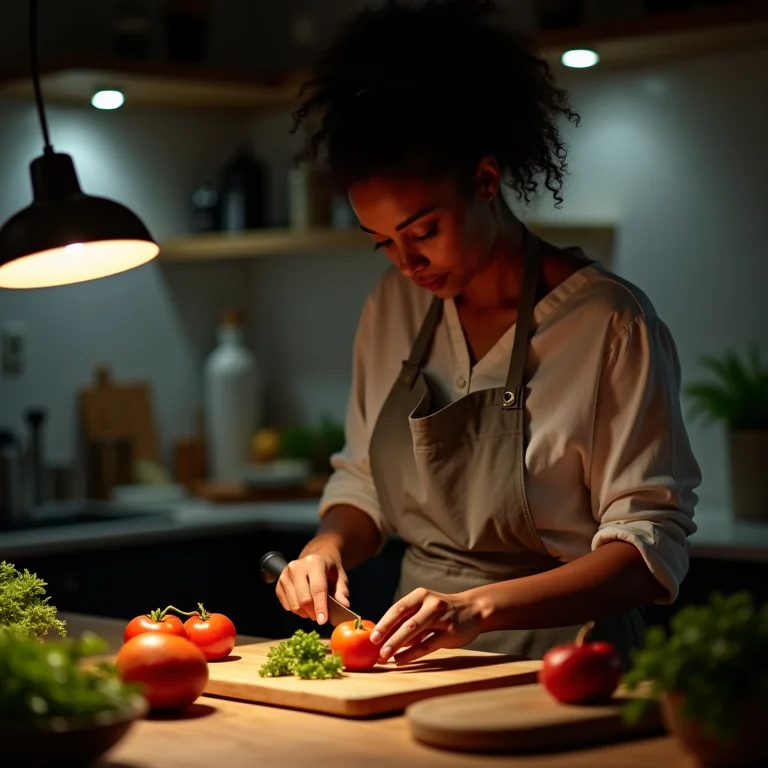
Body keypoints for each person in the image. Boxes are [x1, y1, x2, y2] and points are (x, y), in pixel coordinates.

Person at [274, 0, 701, 664]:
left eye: (422, 233)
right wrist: (325, 547)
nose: (407, 262)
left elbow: (648, 550)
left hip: (568, 663)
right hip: (419, 660)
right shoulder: (393, 307)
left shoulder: (610, 324)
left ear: (485, 180)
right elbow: (362, 484)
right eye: (382, 242)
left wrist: (478, 609)